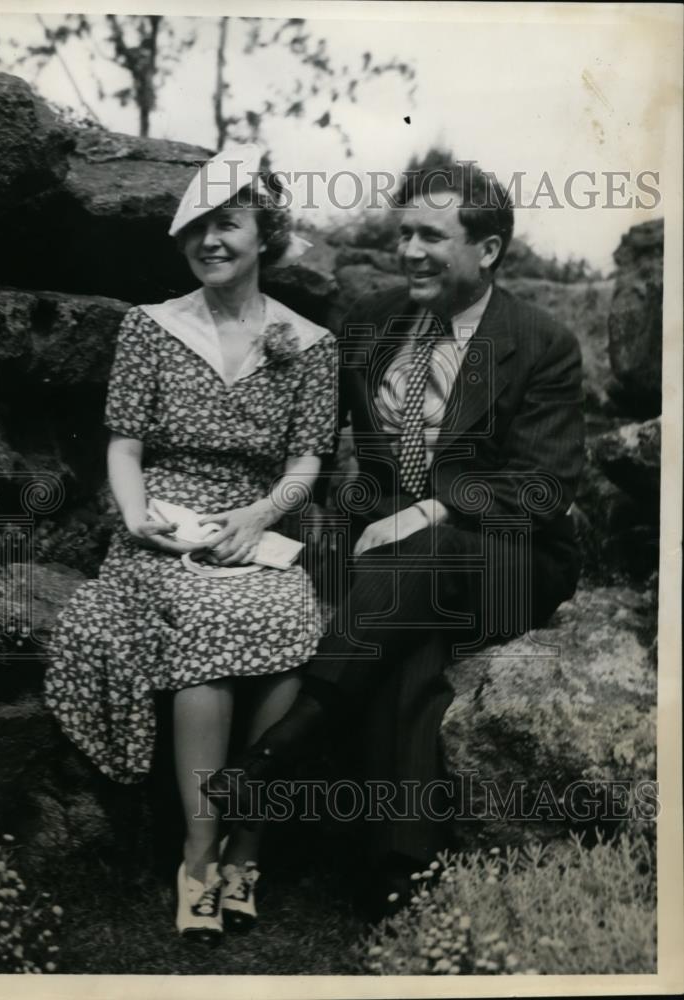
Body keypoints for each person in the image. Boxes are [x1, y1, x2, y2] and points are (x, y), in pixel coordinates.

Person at [204, 159, 585, 920]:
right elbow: (314, 430)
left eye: (431, 236)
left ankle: (285, 744)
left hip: (501, 553)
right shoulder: (372, 320)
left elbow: (542, 486)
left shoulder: (539, 343)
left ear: (487, 250)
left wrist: (431, 510)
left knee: (423, 556)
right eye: (403, 232)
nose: (409, 250)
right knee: (410, 648)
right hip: (393, 565)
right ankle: (396, 874)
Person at [44, 145, 336, 943]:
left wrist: (256, 518)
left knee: (289, 615)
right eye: (196, 229)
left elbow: (306, 460)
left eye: (228, 224)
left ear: (264, 236)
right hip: (163, 530)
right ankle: (199, 856)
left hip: (254, 526)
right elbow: (125, 448)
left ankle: (249, 846)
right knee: (204, 616)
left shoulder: (307, 344)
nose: (210, 241)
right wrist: (137, 514)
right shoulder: (150, 329)